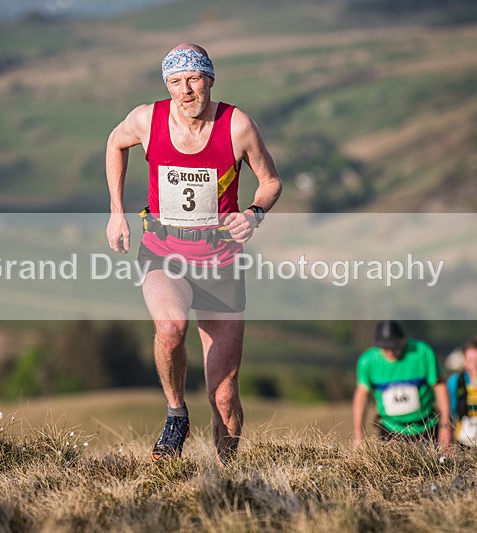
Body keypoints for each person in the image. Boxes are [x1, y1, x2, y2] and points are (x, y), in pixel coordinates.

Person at [105, 44, 282, 466]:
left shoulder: (237, 125)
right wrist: (116, 211)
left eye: (194, 79)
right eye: (175, 82)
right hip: (163, 251)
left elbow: (271, 182)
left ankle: (228, 476)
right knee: (170, 327)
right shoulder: (148, 119)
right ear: (167, 85)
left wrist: (254, 213)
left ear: (210, 79)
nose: (186, 90)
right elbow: (115, 143)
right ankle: (176, 413)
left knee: (224, 397)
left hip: (221, 262)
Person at [352, 320, 452, 447]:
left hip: (426, 428)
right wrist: (358, 433)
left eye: (394, 346)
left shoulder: (422, 352)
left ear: (403, 340)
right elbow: (361, 395)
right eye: (385, 347)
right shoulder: (367, 361)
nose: (390, 351)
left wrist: (445, 425)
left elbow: (439, 386)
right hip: (390, 430)